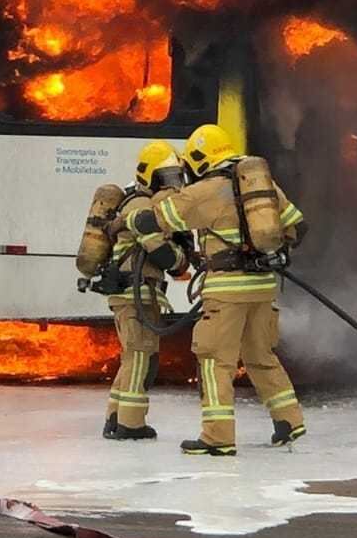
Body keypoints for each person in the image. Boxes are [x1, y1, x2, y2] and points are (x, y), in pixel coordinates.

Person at [127, 123, 306, 456]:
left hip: (226, 291)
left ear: (199, 159)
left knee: (214, 361)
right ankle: (289, 420)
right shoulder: (261, 185)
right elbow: (298, 226)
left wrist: (140, 213)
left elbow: (155, 220)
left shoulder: (205, 191)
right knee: (261, 355)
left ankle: (217, 437)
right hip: (264, 286)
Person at [101, 140, 188, 442]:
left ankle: (115, 417)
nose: (172, 185)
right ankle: (131, 424)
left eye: (176, 177)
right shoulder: (141, 206)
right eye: (166, 178)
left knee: (133, 356)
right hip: (134, 293)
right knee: (141, 357)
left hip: (135, 292)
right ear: (148, 176)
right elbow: (159, 251)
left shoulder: (139, 203)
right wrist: (181, 260)